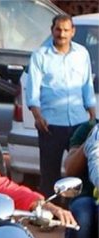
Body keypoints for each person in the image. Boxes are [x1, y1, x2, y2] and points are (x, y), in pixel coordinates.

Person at [26, 14, 96, 199]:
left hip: (79, 123)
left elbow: (87, 85)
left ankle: (78, 208)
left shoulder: (82, 54)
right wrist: (37, 116)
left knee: (80, 173)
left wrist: (92, 114)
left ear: (73, 31)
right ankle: (52, 211)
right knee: (50, 175)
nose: (62, 34)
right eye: (58, 29)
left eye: (66, 30)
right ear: (52, 30)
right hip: (51, 125)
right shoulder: (40, 55)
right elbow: (32, 90)